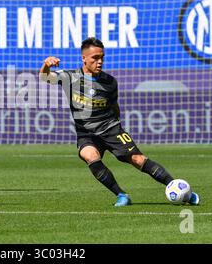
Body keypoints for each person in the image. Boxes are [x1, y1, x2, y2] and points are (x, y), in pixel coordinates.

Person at [39, 37, 200, 207]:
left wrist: (118, 129)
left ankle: (183, 191)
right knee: (90, 156)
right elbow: (44, 78)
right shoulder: (69, 77)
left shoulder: (110, 82)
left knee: (137, 159)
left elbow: (115, 107)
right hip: (87, 134)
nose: (99, 62)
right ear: (84, 58)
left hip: (111, 129)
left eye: (102, 57)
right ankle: (122, 195)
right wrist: (46, 64)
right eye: (95, 58)